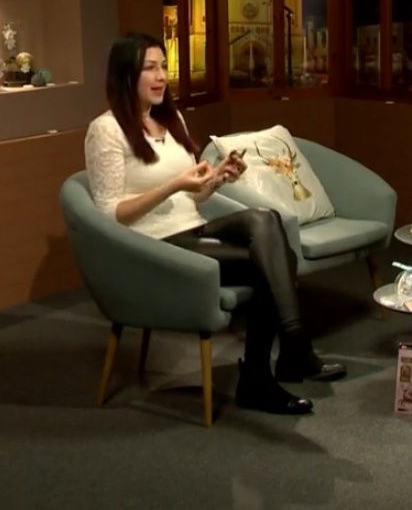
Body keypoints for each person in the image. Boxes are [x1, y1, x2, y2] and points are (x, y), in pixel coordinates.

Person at [84, 32, 346, 416]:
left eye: (164, 67)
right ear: (125, 75)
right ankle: (276, 364)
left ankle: (286, 353)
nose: (161, 77)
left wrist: (216, 179)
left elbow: (192, 197)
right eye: (150, 68)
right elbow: (110, 214)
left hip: (193, 230)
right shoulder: (105, 130)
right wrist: (174, 184)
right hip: (153, 246)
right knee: (277, 263)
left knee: (265, 221)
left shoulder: (170, 119)